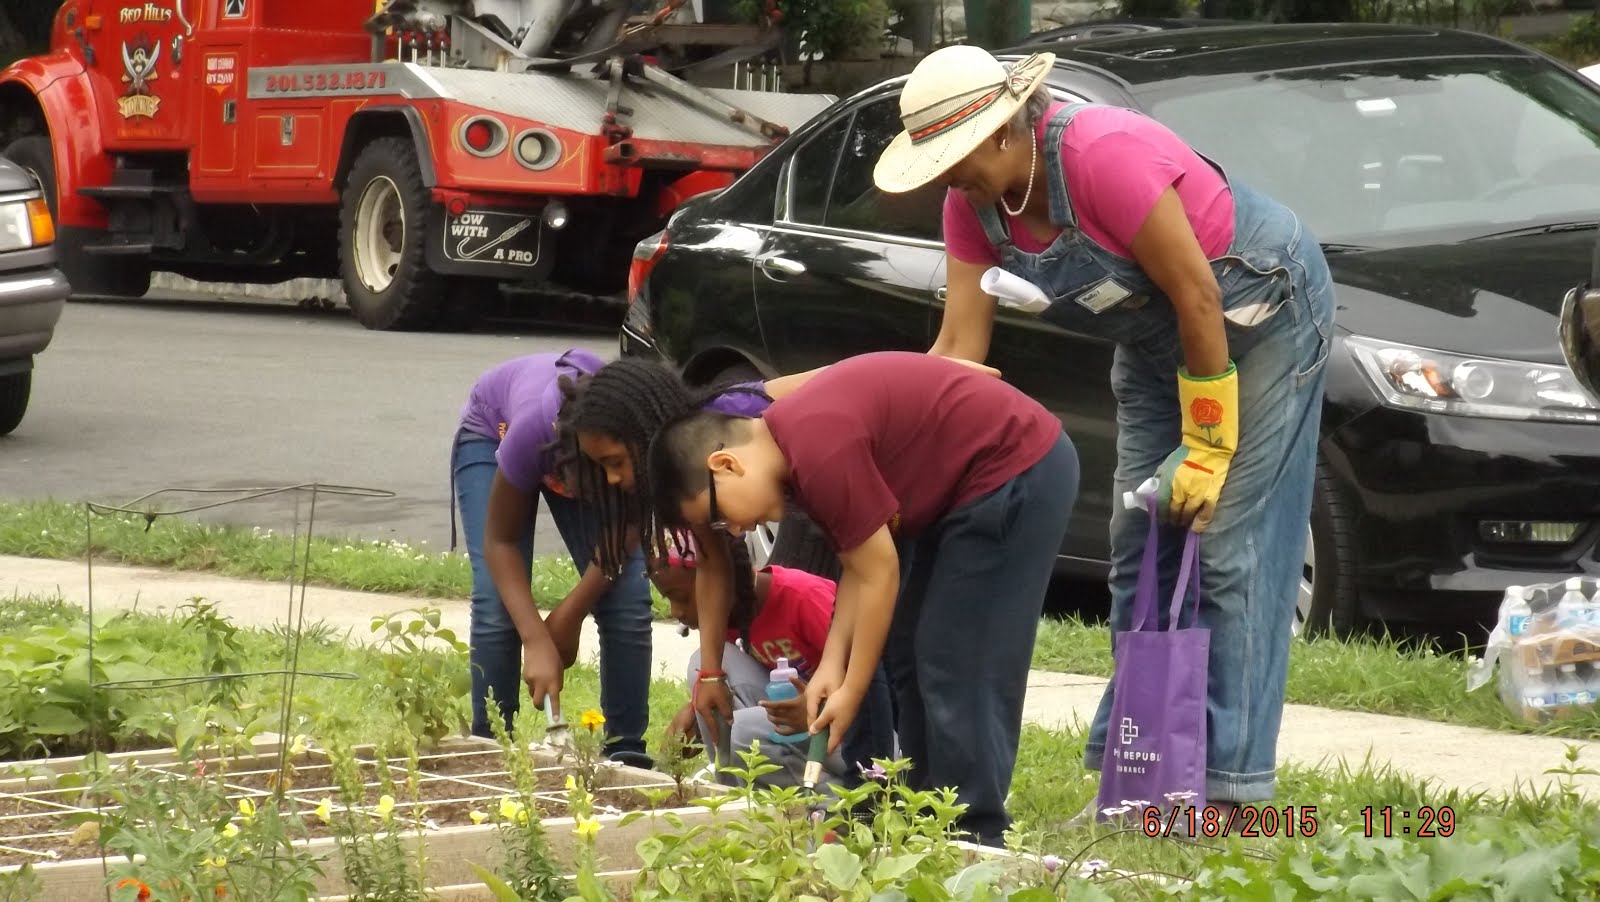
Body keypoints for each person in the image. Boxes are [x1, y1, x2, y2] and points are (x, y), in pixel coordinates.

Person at [871, 45, 1335, 811]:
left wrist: (1211, 442)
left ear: (1002, 131)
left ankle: (1229, 791)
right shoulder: (972, 207)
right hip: (1156, 349)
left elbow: (1197, 297)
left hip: (1259, 315)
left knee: (1224, 552)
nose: (951, 180)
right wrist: (899, 437)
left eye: (958, 159)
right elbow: (958, 348)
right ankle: (1142, 775)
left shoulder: (1101, 157)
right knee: (1137, 548)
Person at [644, 350, 1079, 846]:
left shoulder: (816, 450)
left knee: (956, 660)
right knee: (910, 657)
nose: (736, 531)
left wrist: (850, 689)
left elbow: (879, 572)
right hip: (957, 490)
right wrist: (833, 666)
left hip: (1014, 466)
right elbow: (857, 566)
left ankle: (975, 836)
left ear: (725, 464)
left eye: (721, 517)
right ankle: (924, 818)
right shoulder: (795, 460)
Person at [450, 349, 653, 765]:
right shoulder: (531, 432)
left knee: (628, 596)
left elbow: (627, 527)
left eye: (617, 466)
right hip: (495, 429)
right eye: (606, 467)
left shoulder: (640, 433)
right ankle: (492, 748)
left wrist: (569, 614)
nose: (615, 478)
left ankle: (626, 753)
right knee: (496, 602)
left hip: (574, 451)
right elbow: (500, 542)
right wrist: (536, 640)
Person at [652, 531, 868, 789]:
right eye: (669, 600)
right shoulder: (732, 618)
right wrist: (698, 717)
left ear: (721, 582)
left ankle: (837, 800)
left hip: (857, 735)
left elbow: (871, 685)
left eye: (682, 597)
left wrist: (815, 710)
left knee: (742, 733)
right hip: (800, 729)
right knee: (703, 669)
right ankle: (732, 789)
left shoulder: (803, 597)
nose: (675, 612)